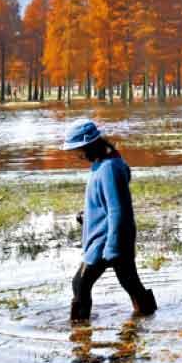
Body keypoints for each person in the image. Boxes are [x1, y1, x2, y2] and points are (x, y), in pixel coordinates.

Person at [62, 119, 157, 320]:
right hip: (112, 236)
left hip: (107, 240)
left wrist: (113, 248)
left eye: (77, 150)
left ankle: (80, 332)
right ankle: (147, 316)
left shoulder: (109, 168)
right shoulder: (103, 164)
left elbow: (117, 210)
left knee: (80, 283)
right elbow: (105, 203)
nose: (76, 155)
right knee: (130, 282)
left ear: (89, 144)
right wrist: (87, 215)